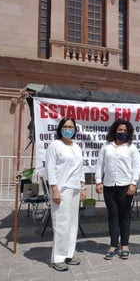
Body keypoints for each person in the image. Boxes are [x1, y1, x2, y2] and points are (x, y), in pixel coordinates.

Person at [95, 119, 140, 260]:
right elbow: (99, 165)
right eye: (120, 130)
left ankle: (125, 244)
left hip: (125, 186)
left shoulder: (131, 148)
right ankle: (113, 244)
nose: (122, 132)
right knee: (112, 215)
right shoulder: (106, 147)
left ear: (129, 133)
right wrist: (98, 181)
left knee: (125, 215)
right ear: (115, 130)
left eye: (125, 130)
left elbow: (137, 167)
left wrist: (133, 183)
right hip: (109, 186)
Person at [45, 117, 86, 272]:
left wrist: (82, 188)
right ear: (60, 128)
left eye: (71, 126)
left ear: (75, 129)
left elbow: (80, 169)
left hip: (74, 189)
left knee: (72, 223)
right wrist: (54, 189)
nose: (68, 129)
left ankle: (69, 254)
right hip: (61, 189)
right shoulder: (55, 146)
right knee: (61, 224)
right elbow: (50, 168)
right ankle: (58, 258)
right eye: (66, 126)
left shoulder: (77, 147)